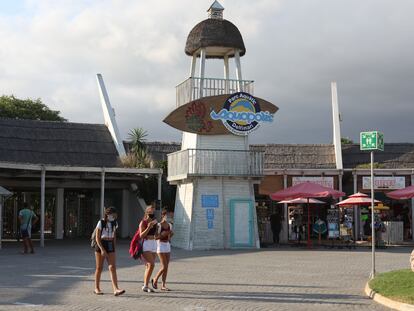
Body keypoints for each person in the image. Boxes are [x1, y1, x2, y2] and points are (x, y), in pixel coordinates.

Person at [94, 207, 125, 296]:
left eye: (115, 215)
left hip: (110, 243)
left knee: (112, 267)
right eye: (113, 215)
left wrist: (113, 248)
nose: (114, 216)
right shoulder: (101, 222)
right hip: (101, 244)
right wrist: (102, 249)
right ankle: (97, 288)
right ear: (108, 214)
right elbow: (97, 238)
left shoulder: (115, 223)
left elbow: (114, 236)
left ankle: (116, 289)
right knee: (99, 268)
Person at [152, 209, 174, 291]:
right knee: (164, 266)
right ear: (163, 216)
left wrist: (170, 235)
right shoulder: (159, 225)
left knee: (166, 267)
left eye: (169, 216)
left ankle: (163, 285)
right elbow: (155, 237)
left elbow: (170, 234)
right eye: (167, 216)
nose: (168, 218)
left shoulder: (170, 225)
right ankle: (155, 279)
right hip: (160, 246)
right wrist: (161, 235)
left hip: (167, 245)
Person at [139, 206, 158, 293]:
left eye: (153, 211)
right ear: (147, 212)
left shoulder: (154, 222)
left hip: (154, 243)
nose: (152, 213)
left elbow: (156, 235)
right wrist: (148, 227)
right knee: (152, 264)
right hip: (146, 243)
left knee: (148, 266)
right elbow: (141, 235)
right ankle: (145, 285)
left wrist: (157, 227)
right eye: (150, 211)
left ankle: (145, 285)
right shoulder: (143, 222)